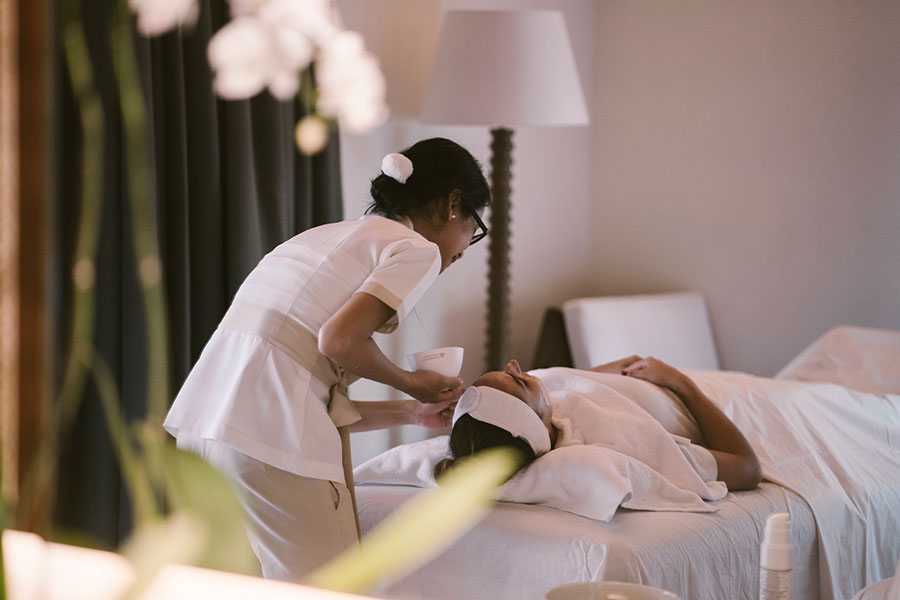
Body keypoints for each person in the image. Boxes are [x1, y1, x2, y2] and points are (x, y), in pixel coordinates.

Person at [163, 137, 491, 581]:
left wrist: (412, 412)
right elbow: (337, 340)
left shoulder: (318, 238)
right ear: (453, 204)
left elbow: (302, 390)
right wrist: (413, 382)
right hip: (270, 441)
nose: (465, 249)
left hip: (204, 432)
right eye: (474, 228)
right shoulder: (417, 249)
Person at [436, 356, 762, 492]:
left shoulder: (542, 405)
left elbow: (565, 387)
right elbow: (747, 468)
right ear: (542, 427)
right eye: (519, 380)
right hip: (722, 396)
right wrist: (680, 382)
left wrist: (603, 373)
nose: (514, 364)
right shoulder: (620, 439)